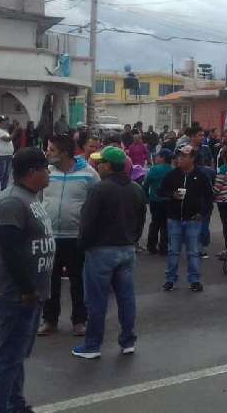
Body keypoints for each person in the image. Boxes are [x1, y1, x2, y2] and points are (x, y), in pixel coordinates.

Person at [0, 148, 55, 413]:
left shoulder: (30, 197)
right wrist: (26, 289)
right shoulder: (12, 203)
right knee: (9, 357)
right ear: (32, 172)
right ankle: (1, 407)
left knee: (17, 356)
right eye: (45, 168)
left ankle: (15, 403)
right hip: (17, 296)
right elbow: (10, 249)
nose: (48, 172)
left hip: (32, 294)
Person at [72, 146, 146, 359]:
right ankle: (127, 341)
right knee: (126, 298)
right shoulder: (136, 189)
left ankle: (93, 345)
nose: (96, 165)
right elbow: (141, 220)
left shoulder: (99, 189)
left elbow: (87, 223)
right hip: (127, 249)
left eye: (99, 162)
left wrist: (83, 245)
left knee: (96, 301)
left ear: (108, 166)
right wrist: (132, 239)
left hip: (101, 250)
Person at [37, 134, 100, 337]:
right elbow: (38, 199)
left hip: (76, 237)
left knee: (77, 281)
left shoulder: (89, 174)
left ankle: (79, 321)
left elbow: (97, 204)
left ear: (64, 152)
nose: (48, 153)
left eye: (52, 149)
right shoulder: (47, 172)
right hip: (50, 237)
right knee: (50, 281)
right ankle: (49, 320)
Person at [158, 145, 212, 292]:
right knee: (173, 251)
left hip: (193, 220)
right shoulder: (172, 174)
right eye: (179, 156)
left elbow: (209, 197)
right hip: (174, 218)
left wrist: (203, 213)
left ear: (192, 158)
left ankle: (194, 280)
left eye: (184, 156)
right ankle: (170, 279)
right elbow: (161, 191)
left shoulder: (201, 176)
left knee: (193, 251)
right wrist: (172, 195)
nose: (180, 159)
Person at [143, 149, 174, 255]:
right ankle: (164, 247)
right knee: (166, 225)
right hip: (169, 201)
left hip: (155, 200)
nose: (155, 158)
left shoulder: (154, 169)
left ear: (162, 158)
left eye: (157, 156)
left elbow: (146, 184)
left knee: (155, 223)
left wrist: (145, 195)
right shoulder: (173, 170)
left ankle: (151, 246)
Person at [0, 115, 15, 197]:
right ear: (0, 123)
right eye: (5, 121)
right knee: (1, 174)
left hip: (7, 155)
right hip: (1, 156)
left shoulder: (4, 130)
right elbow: (8, 139)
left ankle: (3, 190)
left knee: (6, 174)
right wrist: (16, 131)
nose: (7, 122)